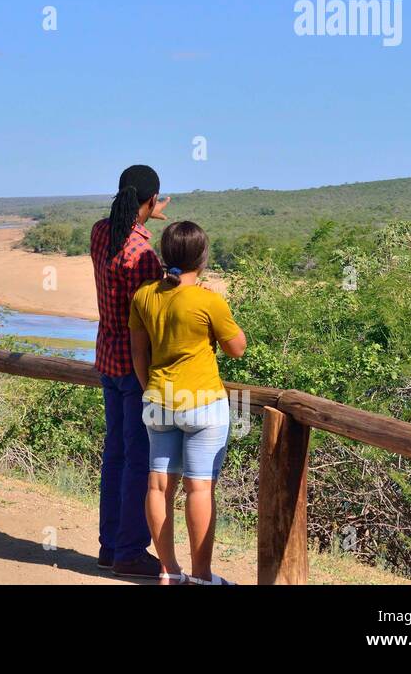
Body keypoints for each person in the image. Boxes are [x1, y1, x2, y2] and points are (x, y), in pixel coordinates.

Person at [129, 221, 247, 585]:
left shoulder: (144, 295)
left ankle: (168, 571)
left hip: (158, 400)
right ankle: (201, 576)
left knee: (158, 486)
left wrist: (150, 388)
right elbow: (237, 348)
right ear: (203, 257)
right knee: (199, 488)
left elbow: (138, 353)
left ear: (165, 255)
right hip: (203, 403)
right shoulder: (208, 300)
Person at [90, 164, 169, 578]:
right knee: (139, 459)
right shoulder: (143, 256)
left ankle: (110, 546)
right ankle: (129, 551)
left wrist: (144, 216)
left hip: (106, 358)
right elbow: (152, 317)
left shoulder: (100, 233)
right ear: (152, 201)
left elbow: (121, 223)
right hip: (137, 368)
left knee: (115, 454)